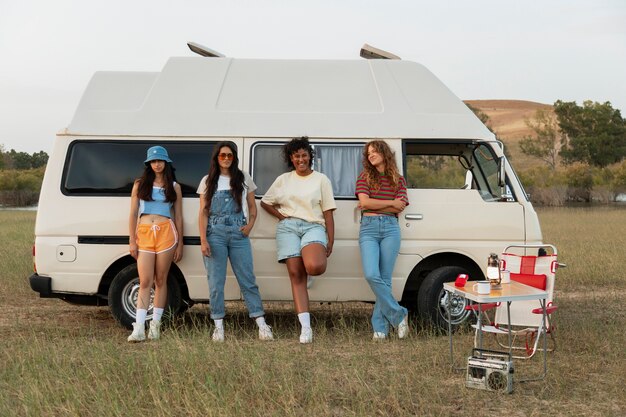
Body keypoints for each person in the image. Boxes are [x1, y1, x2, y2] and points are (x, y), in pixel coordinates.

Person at [261, 137, 336, 344]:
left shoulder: (321, 179)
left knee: (315, 266)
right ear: (291, 159)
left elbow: (328, 213)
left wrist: (331, 240)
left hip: (313, 226)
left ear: (310, 156)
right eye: (296, 156)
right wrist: (282, 217)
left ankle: (308, 266)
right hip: (288, 228)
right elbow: (265, 203)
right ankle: (306, 328)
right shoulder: (284, 179)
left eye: (304, 155)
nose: (300, 159)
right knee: (295, 275)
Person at [198, 141, 273, 342]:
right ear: (216, 158)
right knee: (216, 282)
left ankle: (261, 323)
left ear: (234, 157)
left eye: (229, 155)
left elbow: (253, 206)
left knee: (247, 279)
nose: (226, 159)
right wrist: (203, 239)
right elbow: (203, 213)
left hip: (239, 233)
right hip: (215, 234)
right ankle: (218, 326)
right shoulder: (208, 181)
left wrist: (250, 226)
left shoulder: (243, 178)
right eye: (222, 155)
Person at [128, 145, 183, 342]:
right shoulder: (140, 184)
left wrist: (180, 243)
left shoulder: (174, 187)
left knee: (161, 280)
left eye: (160, 160)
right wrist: (132, 240)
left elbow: (178, 216)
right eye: (153, 161)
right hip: (144, 233)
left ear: (166, 163)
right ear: (148, 164)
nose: (157, 164)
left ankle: (155, 326)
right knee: (145, 281)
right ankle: (139, 327)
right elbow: (133, 213)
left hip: (167, 233)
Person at [355, 140, 409, 340]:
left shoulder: (399, 180)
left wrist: (377, 206)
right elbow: (364, 202)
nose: (371, 155)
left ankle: (380, 328)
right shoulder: (364, 177)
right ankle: (399, 314)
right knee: (371, 274)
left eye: (374, 151)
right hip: (368, 229)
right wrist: (390, 203)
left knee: (385, 279)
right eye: (368, 154)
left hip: (390, 229)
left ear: (384, 153)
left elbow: (400, 207)